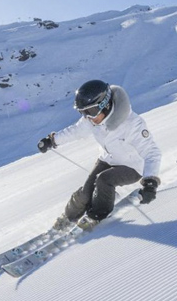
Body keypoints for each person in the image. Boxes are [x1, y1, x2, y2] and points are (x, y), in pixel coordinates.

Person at [37, 80, 162, 230]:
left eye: (90, 111)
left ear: (105, 105)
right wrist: (53, 140)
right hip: (107, 159)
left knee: (104, 180)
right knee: (85, 192)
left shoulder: (133, 124)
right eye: (83, 112)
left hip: (132, 166)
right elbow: (76, 131)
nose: (87, 117)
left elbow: (152, 153)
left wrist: (150, 183)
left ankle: (96, 215)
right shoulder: (92, 119)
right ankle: (69, 217)